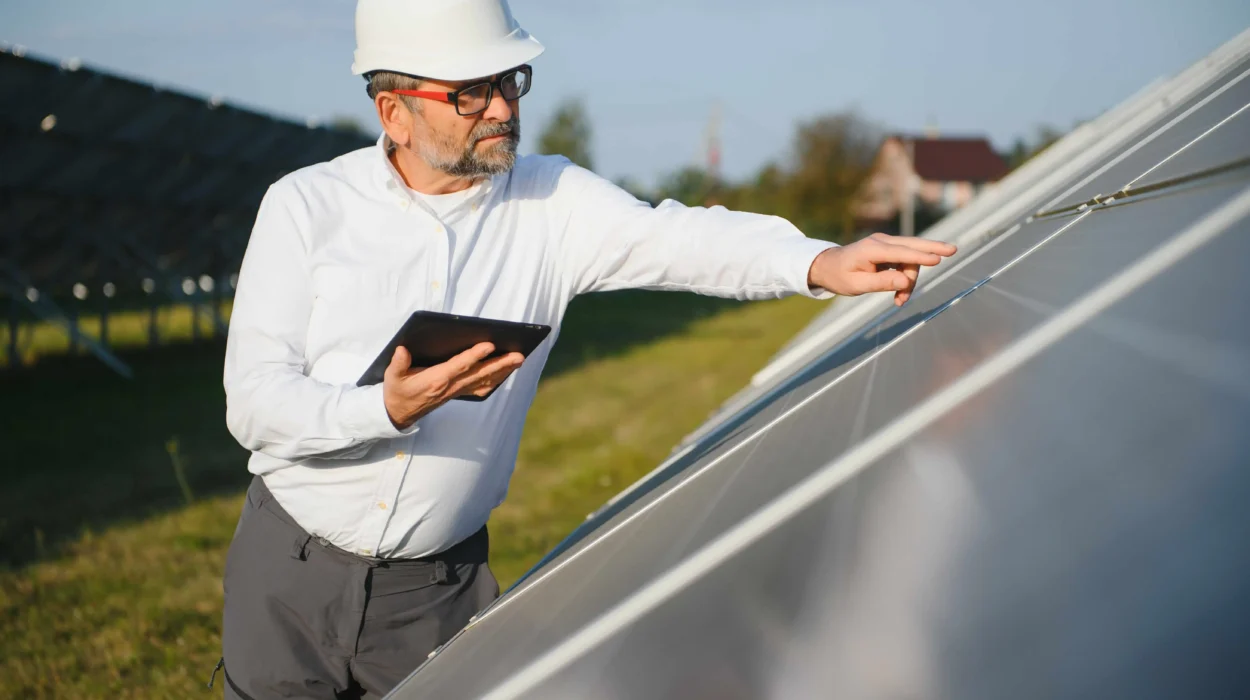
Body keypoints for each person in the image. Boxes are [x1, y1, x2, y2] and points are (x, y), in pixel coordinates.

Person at [216, 0, 956, 696]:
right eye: (470, 93)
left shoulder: (552, 205)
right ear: (394, 113)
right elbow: (255, 403)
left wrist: (816, 263)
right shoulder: (306, 207)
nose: (503, 106)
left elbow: (680, 237)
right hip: (289, 575)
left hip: (436, 596)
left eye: (509, 81)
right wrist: (386, 408)